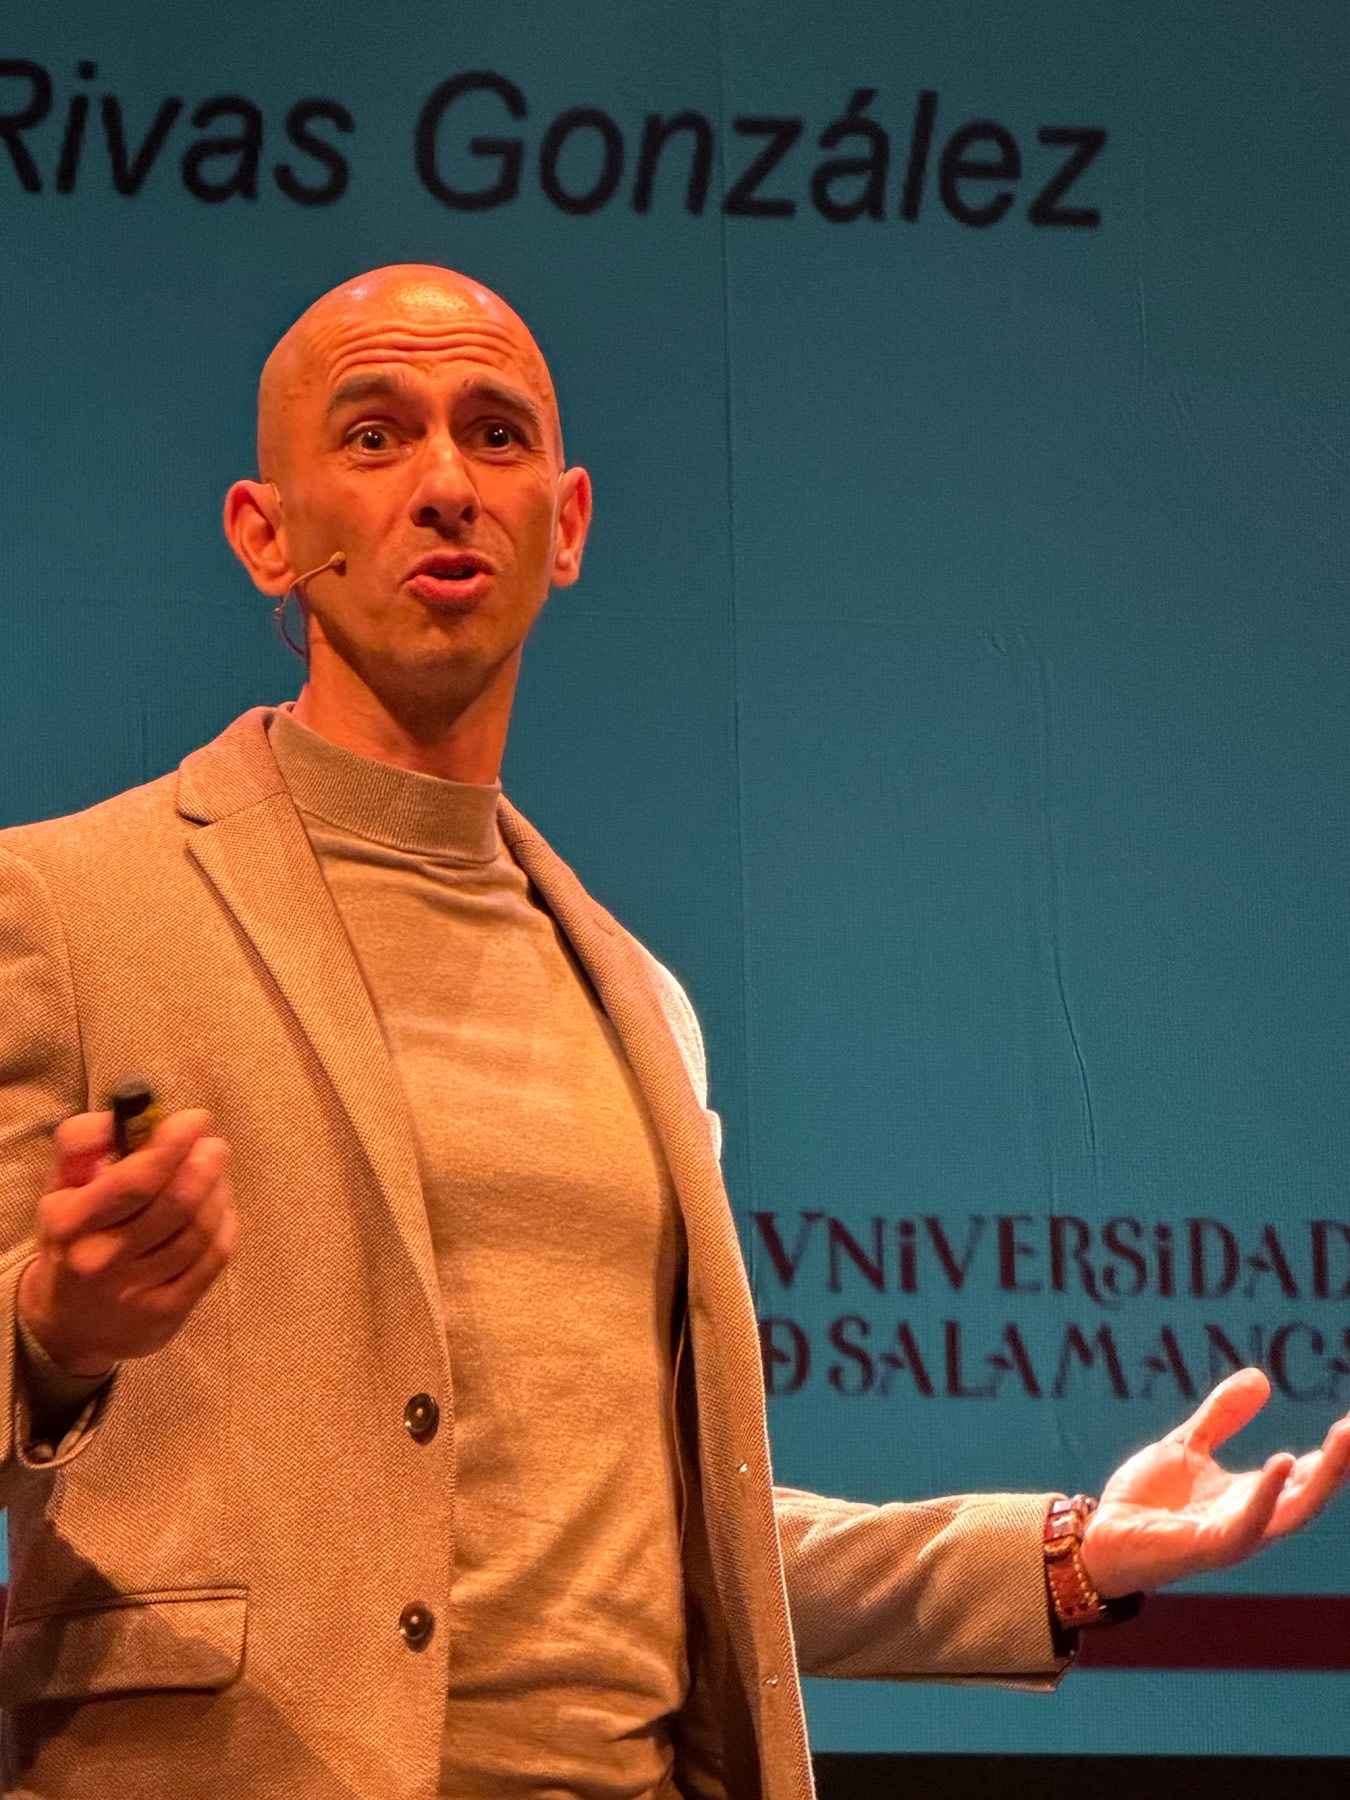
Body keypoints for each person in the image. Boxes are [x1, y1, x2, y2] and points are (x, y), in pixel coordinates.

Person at [0, 264, 1345, 1800]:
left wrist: (1069, 1555)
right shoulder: (65, 908)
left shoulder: (634, 997)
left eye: (495, 435)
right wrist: (55, 1329)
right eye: (374, 437)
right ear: (264, 533)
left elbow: (665, 1539)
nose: (445, 484)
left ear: (566, 524)